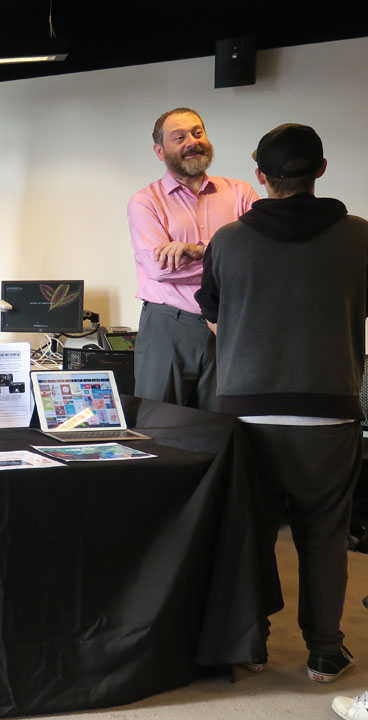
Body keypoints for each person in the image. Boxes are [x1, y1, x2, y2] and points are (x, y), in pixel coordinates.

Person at [195, 123, 368, 683]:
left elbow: (214, 318)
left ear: (260, 176)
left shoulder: (228, 240)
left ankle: (252, 646)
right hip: (329, 412)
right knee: (325, 536)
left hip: (247, 414)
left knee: (253, 535)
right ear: (321, 170)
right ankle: (325, 652)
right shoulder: (360, 236)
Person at [127, 107, 258, 410]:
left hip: (229, 325)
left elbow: (259, 256)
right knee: (158, 421)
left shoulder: (241, 192)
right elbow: (159, 269)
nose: (192, 141)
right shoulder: (145, 202)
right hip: (168, 327)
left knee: (220, 424)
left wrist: (199, 250)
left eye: (198, 133)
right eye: (179, 137)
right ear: (160, 151)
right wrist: (227, 260)